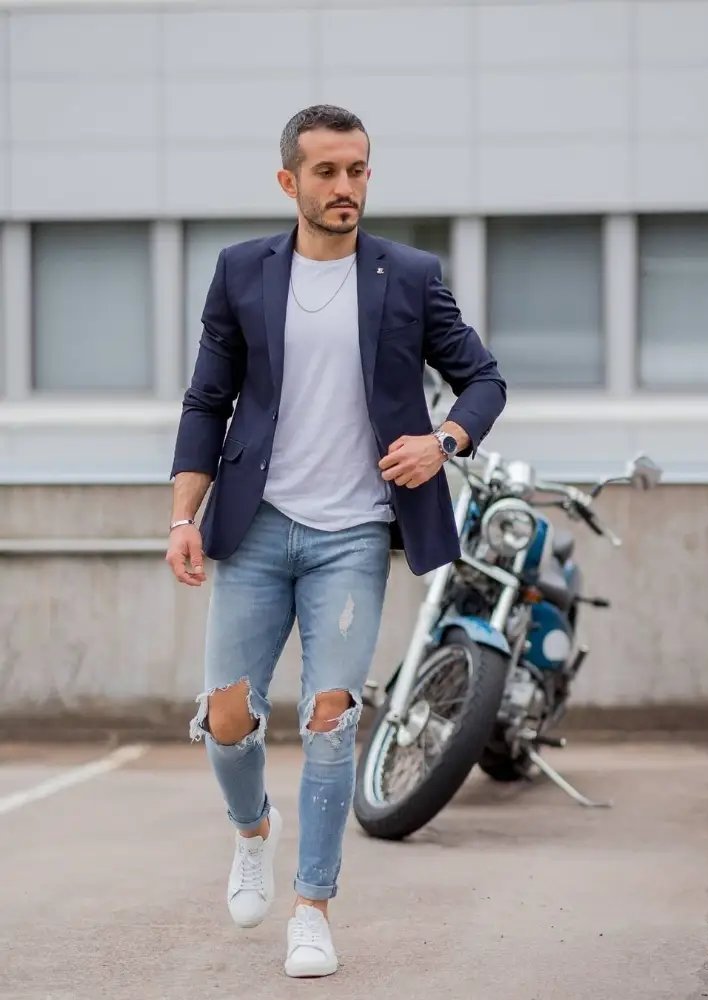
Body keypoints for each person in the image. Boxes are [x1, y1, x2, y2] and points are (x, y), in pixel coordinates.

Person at [166, 104, 506, 978]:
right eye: (327, 172)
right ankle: (253, 834)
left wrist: (445, 443)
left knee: (330, 720)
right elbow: (208, 401)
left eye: (357, 170)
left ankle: (312, 906)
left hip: (353, 532)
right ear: (290, 182)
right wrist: (182, 518)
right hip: (253, 525)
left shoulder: (408, 274)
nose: (346, 186)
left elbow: (482, 378)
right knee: (229, 719)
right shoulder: (242, 272)